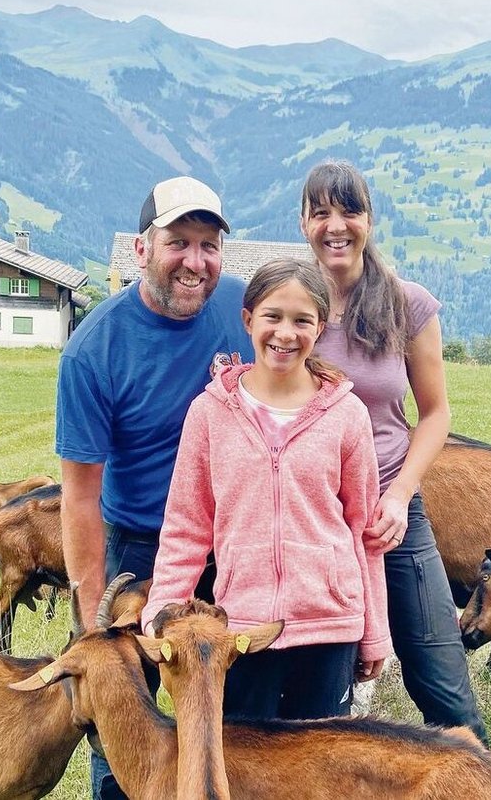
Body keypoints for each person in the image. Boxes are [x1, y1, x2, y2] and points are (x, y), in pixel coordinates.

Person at [55, 175, 252, 800]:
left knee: (233, 706)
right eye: (179, 243)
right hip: (142, 547)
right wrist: (93, 617)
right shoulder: (94, 351)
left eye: (209, 245)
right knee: (130, 710)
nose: (195, 262)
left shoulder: (249, 312)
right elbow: (81, 495)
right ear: (142, 249)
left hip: (235, 544)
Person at [142, 258, 391, 719]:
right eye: (272, 316)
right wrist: (162, 611)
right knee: (244, 767)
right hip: (242, 630)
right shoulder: (210, 413)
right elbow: (186, 527)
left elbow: (363, 528)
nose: (285, 333)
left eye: (302, 320)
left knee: (320, 777)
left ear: (320, 328)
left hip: (329, 628)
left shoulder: (347, 414)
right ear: (248, 319)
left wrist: (374, 629)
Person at [298, 159, 489, 743]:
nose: (336, 225)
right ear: (303, 222)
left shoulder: (408, 305)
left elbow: (435, 415)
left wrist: (401, 492)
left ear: (369, 220)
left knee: (443, 684)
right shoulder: (290, 306)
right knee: (320, 699)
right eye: (321, 212)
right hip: (315, 520)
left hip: (392, 513)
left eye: (349, 210)